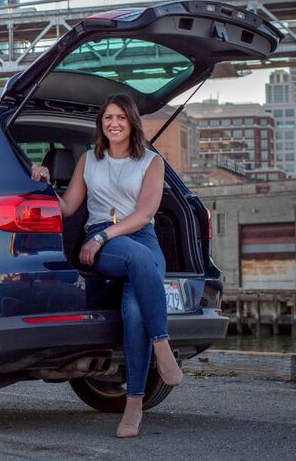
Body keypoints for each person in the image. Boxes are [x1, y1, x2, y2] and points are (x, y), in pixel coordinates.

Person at [31, 93, 184, 438]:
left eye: (120, 118)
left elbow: (145, 214)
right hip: (102, 238)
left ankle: (133, 405)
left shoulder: (151, 161)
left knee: (134, 311)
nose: (113, 124)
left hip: (140, 237)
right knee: (141, 263)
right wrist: (41, 184)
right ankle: (163, 345)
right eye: (107, 119)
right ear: (101, 125)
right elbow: (69, 208)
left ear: (132, 122)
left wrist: (104, 237)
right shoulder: (89, 160)